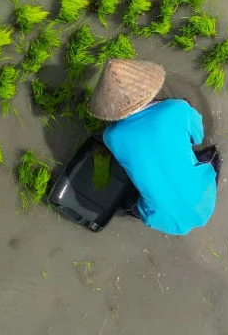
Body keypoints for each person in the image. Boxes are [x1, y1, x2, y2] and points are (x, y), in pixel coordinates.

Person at [87, 59, 219, 235]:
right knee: (213, 156)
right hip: (204, 200)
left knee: (131, 197)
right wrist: (185, 107)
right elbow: (198, 137)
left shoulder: (111, 136)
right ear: (147, 87)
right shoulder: (177, 108)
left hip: (159, 219)